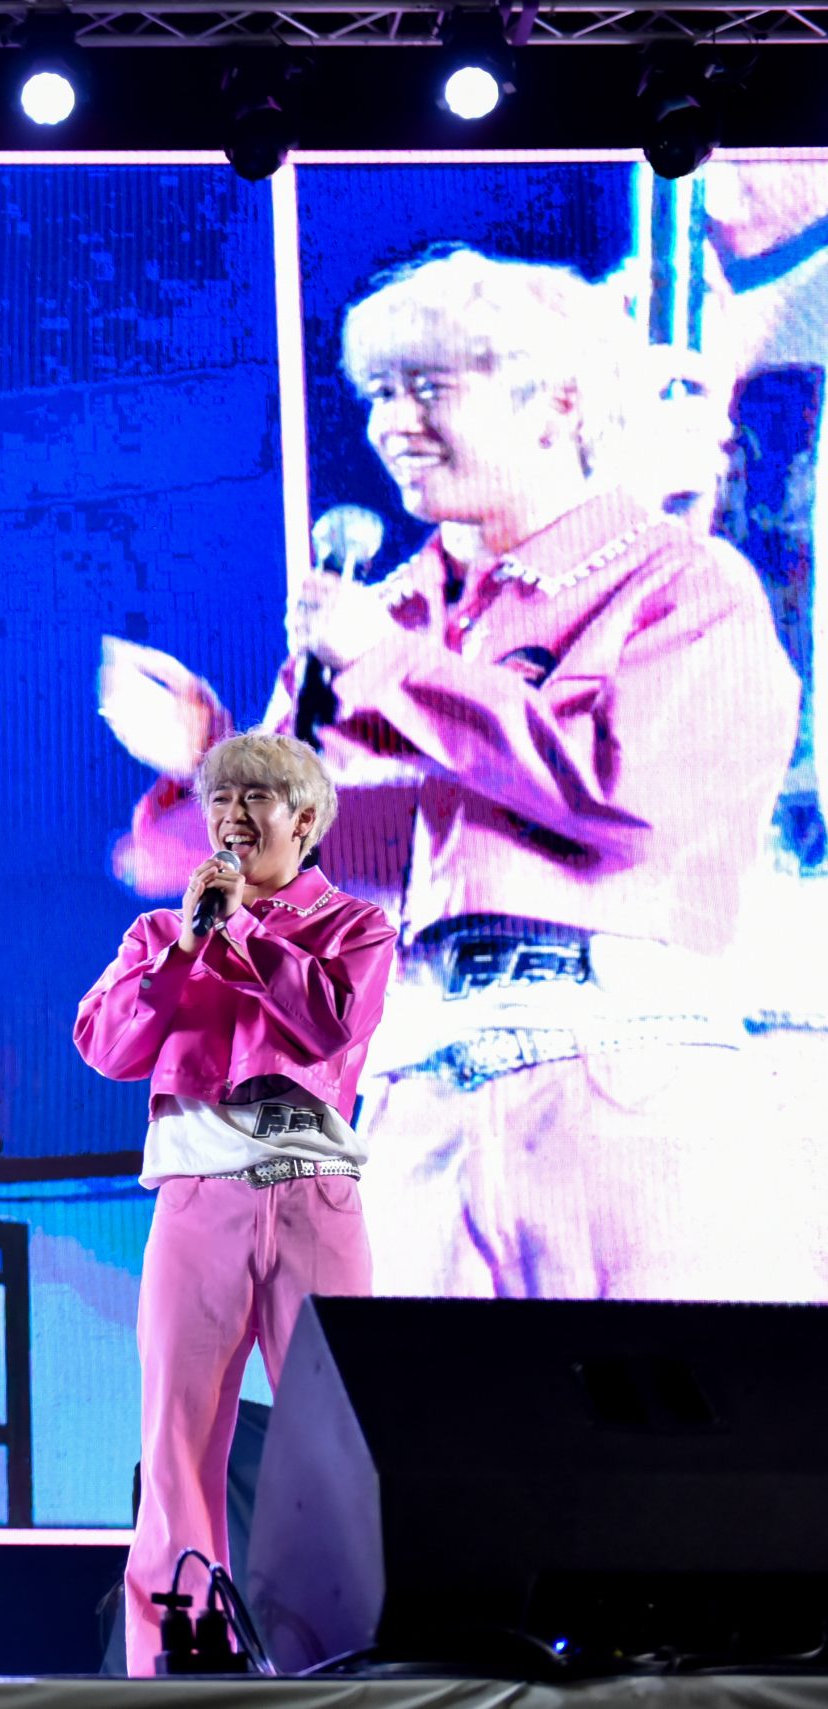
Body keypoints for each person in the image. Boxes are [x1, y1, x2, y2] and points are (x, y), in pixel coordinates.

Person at [103, 247, 809, 1302]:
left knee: (659, 1404)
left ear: (557, 403)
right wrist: (206, 760)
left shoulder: (681, 584)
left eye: (427, 387)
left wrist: (396, 668)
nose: (391, 422)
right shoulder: (373, 618)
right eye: (379, 392)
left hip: (627, 1072)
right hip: (419, 1095)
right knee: (410, 1405)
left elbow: (630, 800)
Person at [76, 732, 397, 1677]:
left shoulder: (355, 925)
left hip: (312, 1198)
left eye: (256, 797)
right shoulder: (160, 934)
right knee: (175, 1437)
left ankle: (341, 1656)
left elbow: (330, 1018)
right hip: (198, 1199)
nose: (230, 816)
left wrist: (245, 933)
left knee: (334, 1438)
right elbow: (105, 1043)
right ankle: (174, 1660)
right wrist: (188, 944)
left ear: (306, 819)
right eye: (220, 798)